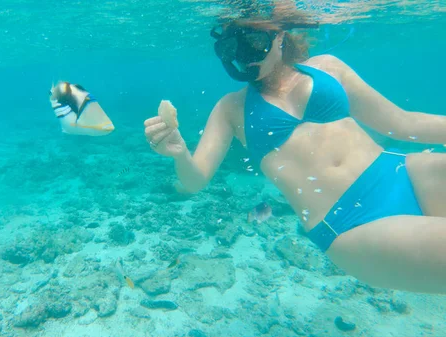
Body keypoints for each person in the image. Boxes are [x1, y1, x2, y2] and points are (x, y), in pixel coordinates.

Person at [144, 18, 446, 294]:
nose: (244, 55)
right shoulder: (230, 109)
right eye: (231, 48)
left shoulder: (328, 67)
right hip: (350, 225)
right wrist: (180, 153)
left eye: (253, 42)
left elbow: (403, 123)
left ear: (279, 36)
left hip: (400, 172)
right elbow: (195, 180)